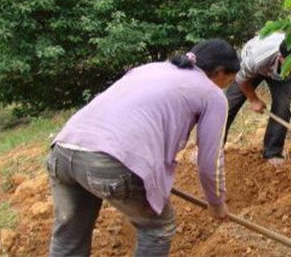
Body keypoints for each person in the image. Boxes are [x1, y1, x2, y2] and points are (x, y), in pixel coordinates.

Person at [46, 39, 240, 257]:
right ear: (220, 71)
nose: (227, 86)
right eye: (229, 80)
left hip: (62, 150)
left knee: (69, 237)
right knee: (158, 227)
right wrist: (215, 202)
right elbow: (209, 163)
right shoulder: (211, 94)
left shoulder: (151, 68)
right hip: (112, 160)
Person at [224, 32, 291, 165]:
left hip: (280, 76)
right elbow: (241, 78)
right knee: (227, 105)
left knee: (283, 107)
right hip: (252, 69)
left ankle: (272, 152)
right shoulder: (258, 56)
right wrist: (253, 99)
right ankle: (208, 148)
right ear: (281, 58)